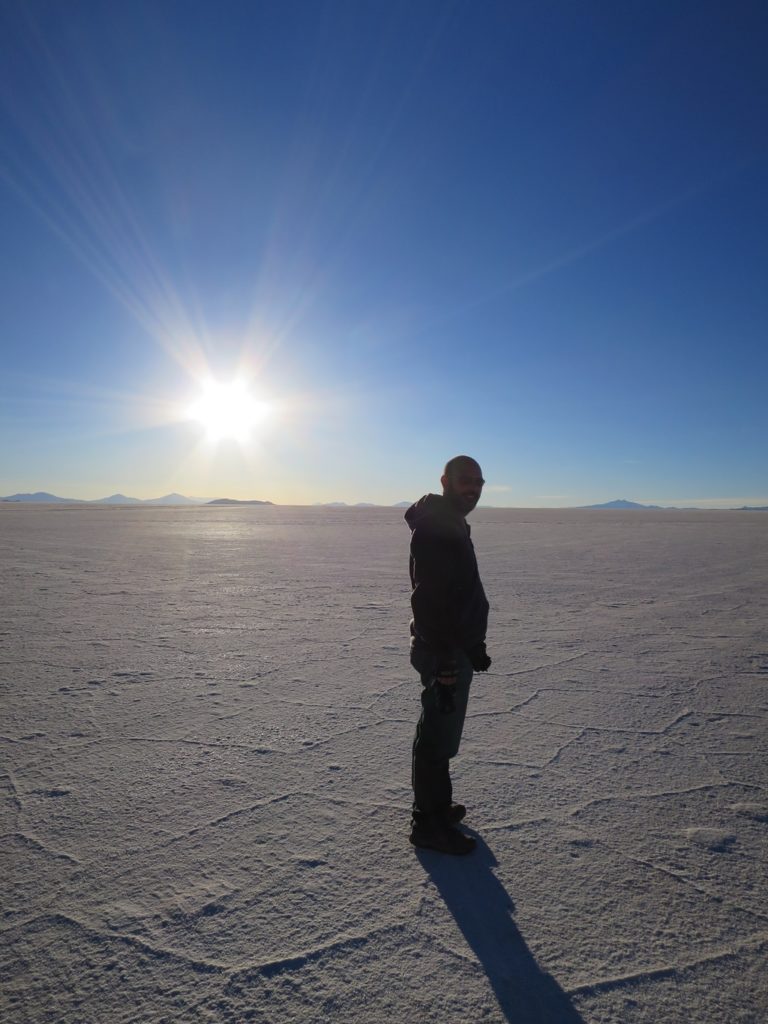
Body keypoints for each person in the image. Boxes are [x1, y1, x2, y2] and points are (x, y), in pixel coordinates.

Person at [405, 455, 491, 855]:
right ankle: (427, 824)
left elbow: (458, 593)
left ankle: (436, 807)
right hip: (442, 652)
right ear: (445, 480)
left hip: (453, 648)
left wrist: (473, 644)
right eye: (464, 481)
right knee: (437, 739)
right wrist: (443, 662)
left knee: (442, 735)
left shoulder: (450, 521)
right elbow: (429, 601)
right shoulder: (437, 528)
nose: (472, 488)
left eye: (478, 482)